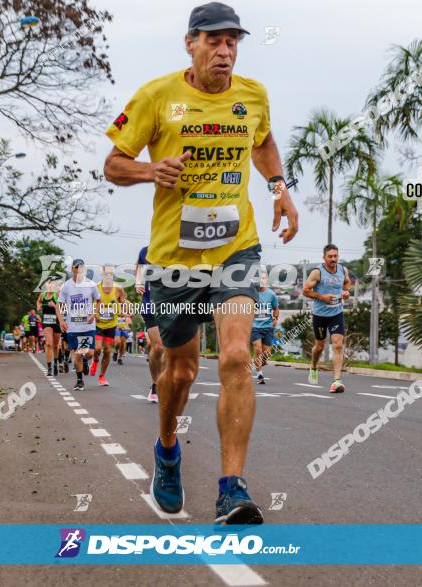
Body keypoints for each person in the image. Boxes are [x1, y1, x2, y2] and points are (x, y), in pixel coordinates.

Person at [103, 2, 298, 524]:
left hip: (236, 248)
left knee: (236, 355)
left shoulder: (252, 96)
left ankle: (231, 488)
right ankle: (167, 448)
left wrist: (280, 189)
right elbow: (112, 164)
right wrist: (150, 170)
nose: (225, 50)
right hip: (174, 259)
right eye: (213, 40)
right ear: (190, 43)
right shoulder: (157, 96)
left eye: (232, 41)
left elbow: (263, 142)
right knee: (181, 371)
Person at [302, 244, 350, 393]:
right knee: (319, 347)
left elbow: (347, 282)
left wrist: (346, 292)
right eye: (330, 256)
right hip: (320, 315)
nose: (333, 259)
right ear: (324, 257)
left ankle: (337, 381)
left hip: (336, 314)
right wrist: (322, 297)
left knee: (337, 345)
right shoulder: (317, 272)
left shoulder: (343, 270)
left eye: (335, 256)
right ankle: (314, 367)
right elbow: (305, 290)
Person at [58, 259, 100, 391]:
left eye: (81, 267)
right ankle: (80, 380)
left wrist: (94, 314)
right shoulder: (66, 286)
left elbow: (98, 301)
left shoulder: (91, 285)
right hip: (73, 326)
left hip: (88, 326)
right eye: (76, 267)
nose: (78, 270)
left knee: (90, 353)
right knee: (76, 353)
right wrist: (61, 321)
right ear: (72, 269)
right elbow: (59, 306)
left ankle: (86, 361)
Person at [90, 264, 126, 386]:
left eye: (111, 274)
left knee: (107, 351)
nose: (109, 276)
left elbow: (122, 301)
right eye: (107, 274)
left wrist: (121, 310)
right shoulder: (95, 288)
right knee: (97, 349)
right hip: (98, 324)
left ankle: (102, 377)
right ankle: (95, 361)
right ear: (102, 274)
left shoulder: (118, 289)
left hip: (111, 325)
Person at [136, 245, 164, 403]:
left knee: (171, 349)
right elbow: (139, 266)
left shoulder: (180, 248)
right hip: (150, 304)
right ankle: (155, 384)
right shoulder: (146, 250)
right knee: (158, 347)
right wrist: (138, 282)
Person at [250, 271, 279, 384]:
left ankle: (262, 361)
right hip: (255, 326)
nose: (261, 281)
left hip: (268, 327)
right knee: (258, 350)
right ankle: (259, 375)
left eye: (263, 279)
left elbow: (276, 308)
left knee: (266, 353)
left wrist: (275, 318)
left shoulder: (271, 294)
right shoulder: (251, 294)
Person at [37, 280, 62, 376]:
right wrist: (38, 306)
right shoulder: (43, 295)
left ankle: (55, 362)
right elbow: (38, 302)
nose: (50, 285)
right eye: (48, 283)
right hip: (46, 321)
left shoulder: (57, 295)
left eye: (52, 284)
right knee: (48, 344)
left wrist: (55, 305)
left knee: (55, 345)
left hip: (57, 321)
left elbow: (64, 307)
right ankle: (49, 367)